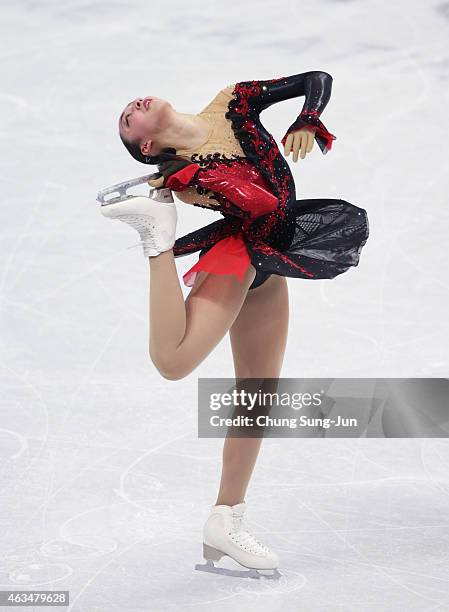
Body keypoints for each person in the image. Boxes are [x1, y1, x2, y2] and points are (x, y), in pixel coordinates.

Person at [102, 71, 370, 576]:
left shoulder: (232, 102)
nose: (132, 105)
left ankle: (226, 519)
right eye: (127, 120)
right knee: (174, 362)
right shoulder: (190, 182)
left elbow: (317, 79)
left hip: (269, 259)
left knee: (257, 393)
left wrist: (308, 117)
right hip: (240, 254)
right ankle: (155, 240)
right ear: (148, 143)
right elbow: (261, 202)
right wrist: (183, 180)